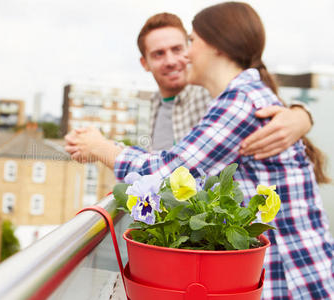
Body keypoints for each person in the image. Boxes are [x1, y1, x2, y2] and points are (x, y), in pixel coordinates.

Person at [65, 2, 333, 299]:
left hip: (292, 278)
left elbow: (166, 173)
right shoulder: (241, 96)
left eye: (191, 42)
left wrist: (101, 147)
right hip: (295, 271)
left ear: (217, 45)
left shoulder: (240, 102)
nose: (185, 55)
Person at [138, 12, 312, 158]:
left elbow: (268, 103)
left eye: (177, 49)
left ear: (190, 49)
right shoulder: (153, 103)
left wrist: (300, 117)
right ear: (144, 63)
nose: (171, 61)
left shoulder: (212, 91)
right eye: (158, 54)